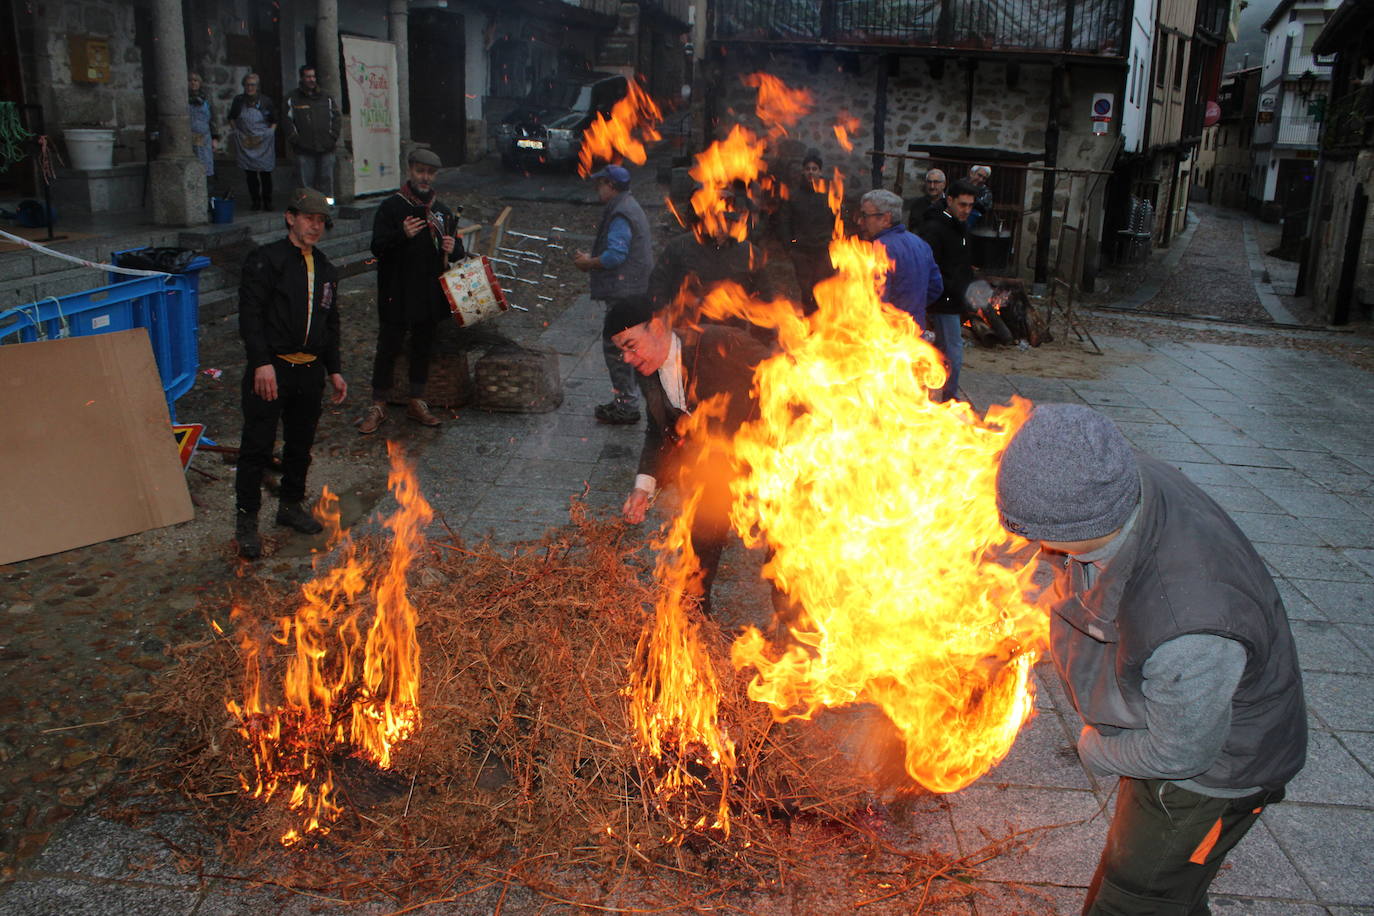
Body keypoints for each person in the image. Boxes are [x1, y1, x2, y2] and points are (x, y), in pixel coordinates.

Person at [994, 404, 1307, 915]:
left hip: (1211, 779)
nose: (1034, 546)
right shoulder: (1121, 477)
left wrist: (1097, 748)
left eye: (1042, 535)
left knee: (1136, 894)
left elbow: (1182, 754)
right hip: (1181, 722)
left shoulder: (1190, 624)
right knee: (1171, 894)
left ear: (1089, 523)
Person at [612, 298, 773, 614]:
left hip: (770, 460)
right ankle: (692, 626)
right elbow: (659, 432)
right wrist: (643, 488)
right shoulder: (650, 372)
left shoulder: (718, 342)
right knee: (700, 544)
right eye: (622, 351)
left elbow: (785, 379)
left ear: (657, 328)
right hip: (712, 472)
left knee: (787, 554)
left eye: (631, 346)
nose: (628, 359)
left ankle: (798, 633)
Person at [233, 188, 347, 559]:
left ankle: (290, 505)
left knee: (300, 444)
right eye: (309, 218)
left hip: (309, 371)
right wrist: (261, 363)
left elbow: (331, 322)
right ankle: (246, 521)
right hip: (272, 369)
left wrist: (335, 370)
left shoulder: (326, 268)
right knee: (257, 446)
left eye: (321, 222)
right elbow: (250, 316)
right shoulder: (266, 260)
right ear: (290, 217)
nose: (316, 227)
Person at [356, 148, 461, 434]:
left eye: (430, 173)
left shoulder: (442, 210)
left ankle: (417, 401)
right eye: (420, 171)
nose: (425, 177)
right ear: (410, 171)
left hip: (429, 293)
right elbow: (377, 247)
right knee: (388, 348)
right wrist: (402, 234)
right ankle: (378, 404)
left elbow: (454, 249)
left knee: (422, 348)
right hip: (397, 291)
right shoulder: (392, 207)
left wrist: (454, 249)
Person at [573, 164, 654, 426]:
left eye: (600, 184)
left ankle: (627, 405)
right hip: (634, 290)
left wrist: (588, 262)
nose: (598, 189)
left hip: (625, 294)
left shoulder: (621, 213)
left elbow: (615, 255)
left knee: (617, 348)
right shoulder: (628, 206)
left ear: (611, 185)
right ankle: (627, 401)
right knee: (628, 347)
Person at [916, 179, 977, 402]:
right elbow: (931, 268)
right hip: (942, 301)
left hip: (955, 299)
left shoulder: (961, 227)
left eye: (970, 206)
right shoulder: (934, 228)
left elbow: (961, 264)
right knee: (953, 352)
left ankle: (935, 398)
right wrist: (944, 292)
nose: (967, 210)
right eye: (962, 205)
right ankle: (949, 399)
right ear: (949, 200)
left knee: (941, 351)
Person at [856, 189, 942, 329]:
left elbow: (875, 298)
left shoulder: (880, 249)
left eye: (865, 215)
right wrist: (913, 308)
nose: (860, 221)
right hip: (914, 330)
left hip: (886, 335)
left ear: (886, 219)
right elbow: (936, 287)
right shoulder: (920, 243)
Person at [777, 149, 835, 316]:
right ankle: (811, 323)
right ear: (803, 171)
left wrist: (833, 240)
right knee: (807, 289)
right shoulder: (793, 195)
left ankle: (826, 321)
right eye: (808, 168)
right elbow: (784, 221)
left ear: (820, 172)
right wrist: (789, 245)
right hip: (802, 250)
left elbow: (837, 219)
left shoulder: (828, 195)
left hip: (823, 249)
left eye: (814, 169)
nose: (811, 172)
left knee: (824, 287)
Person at [285, 65, 340, 199]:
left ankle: (327, 207)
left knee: (326, 180)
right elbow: (287, 121)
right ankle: (308, 209)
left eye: (313, 76)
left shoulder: (326, 97)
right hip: (304, 148)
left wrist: (332, 137)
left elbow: (336, 118)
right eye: (308, 76)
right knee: (305, 183)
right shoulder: (293, 98)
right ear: (302, 78)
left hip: (326, 146)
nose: (311, 79)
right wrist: (296, 140)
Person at [228, 72, 277, 211]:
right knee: (250, 174)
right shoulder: (238, 101)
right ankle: (255, 200)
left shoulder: (266, 101)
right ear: (244, 86)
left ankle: (267, 201)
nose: (250, 87)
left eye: (252, 85)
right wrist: (236, 131)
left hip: (263, 142)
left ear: (257, 86)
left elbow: (274, 120)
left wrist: (269, 133)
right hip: (246, 141)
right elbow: (231, 117)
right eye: (247, 85)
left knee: (265, 173)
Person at [187, 72, 217, 197]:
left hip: (204, 138)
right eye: (191, 80)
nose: (193, 83)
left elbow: (213, 119)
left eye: (196, 80)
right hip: (189, 138)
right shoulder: (182, 98)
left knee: (206, 167)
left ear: (200, 83)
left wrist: (215, 138)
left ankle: (207, 198)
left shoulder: (207, 99)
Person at [966, 164, 994, 230]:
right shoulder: (959, 185)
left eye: (984, 178)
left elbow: (986, 208)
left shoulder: (986, 191)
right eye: (979, 175)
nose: (981, 179)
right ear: (971, 173)